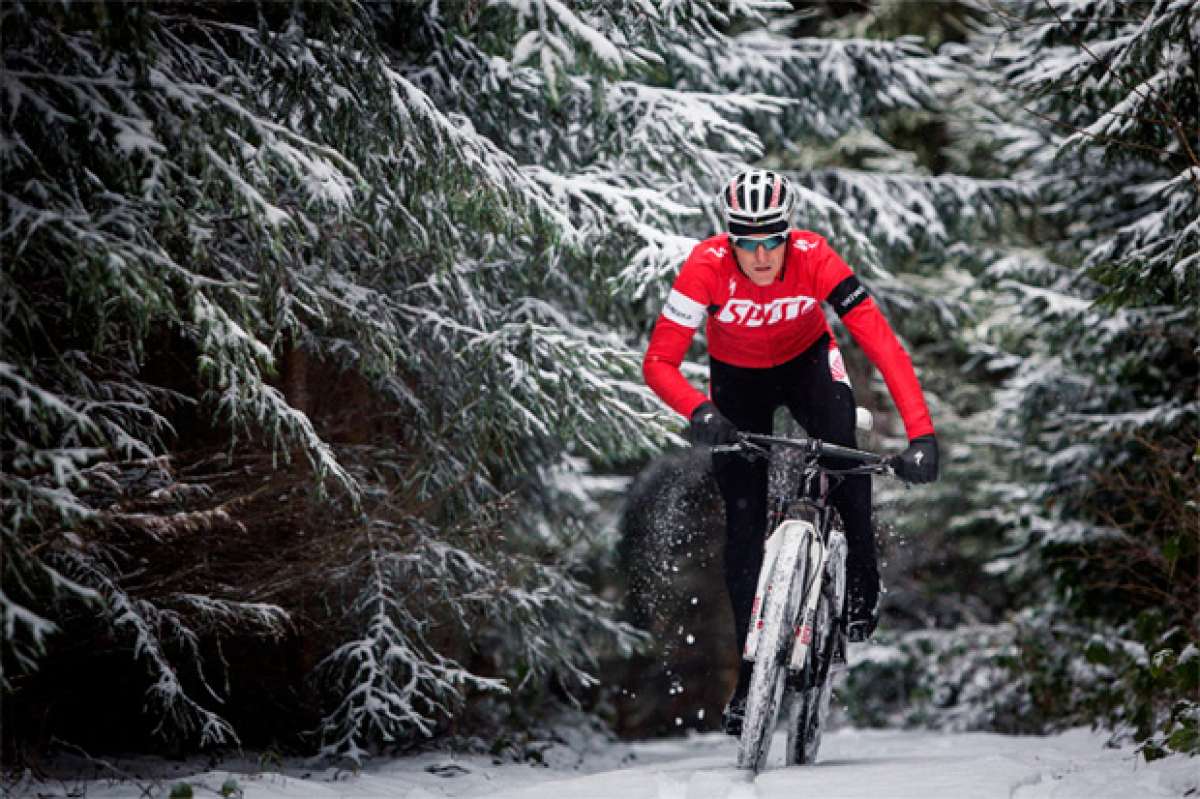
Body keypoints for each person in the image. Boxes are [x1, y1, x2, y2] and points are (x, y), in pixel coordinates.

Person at [641, 169, 939, 735]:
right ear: (730, 240)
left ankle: (862, 584)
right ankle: (751, 677)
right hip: (737, 382)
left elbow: (882, 343)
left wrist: (921, 435)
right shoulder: (705, 265)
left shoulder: (816, 257)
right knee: (743, 523)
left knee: (843, 457)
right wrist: (698, 410)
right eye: (746, 242)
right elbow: (658, 363)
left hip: (808, 364)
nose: (759, 256)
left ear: (788, 233)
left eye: (770, 240)